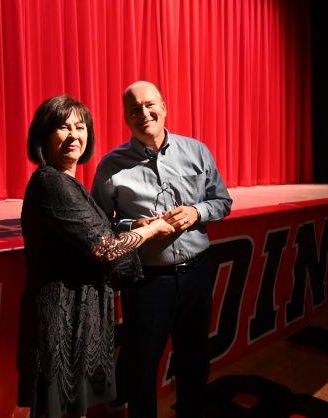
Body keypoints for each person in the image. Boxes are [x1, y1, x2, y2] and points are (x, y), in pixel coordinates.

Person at [18, 95, 175, 418]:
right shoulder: (52, 182)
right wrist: (152, 229)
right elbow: (106, 249)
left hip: (76, 316)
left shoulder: (66, 181)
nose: (74, 135)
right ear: (43, 135)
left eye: (80, 127)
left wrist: (132, 226)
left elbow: (90, 236)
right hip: (61, 321)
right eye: (63, 127)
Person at [91, 81, 232, 418]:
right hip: (147, 283)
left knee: (194, 361)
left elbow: (222, 201)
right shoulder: (110, 166)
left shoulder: (197, 151)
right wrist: (134, 227)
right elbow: (99, 227)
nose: (144, 113)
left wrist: (196, 212)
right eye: (134, 109)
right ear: (126, 118)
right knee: (141, 369)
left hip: (197, 274)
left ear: (164, 107)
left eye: (150, 105)